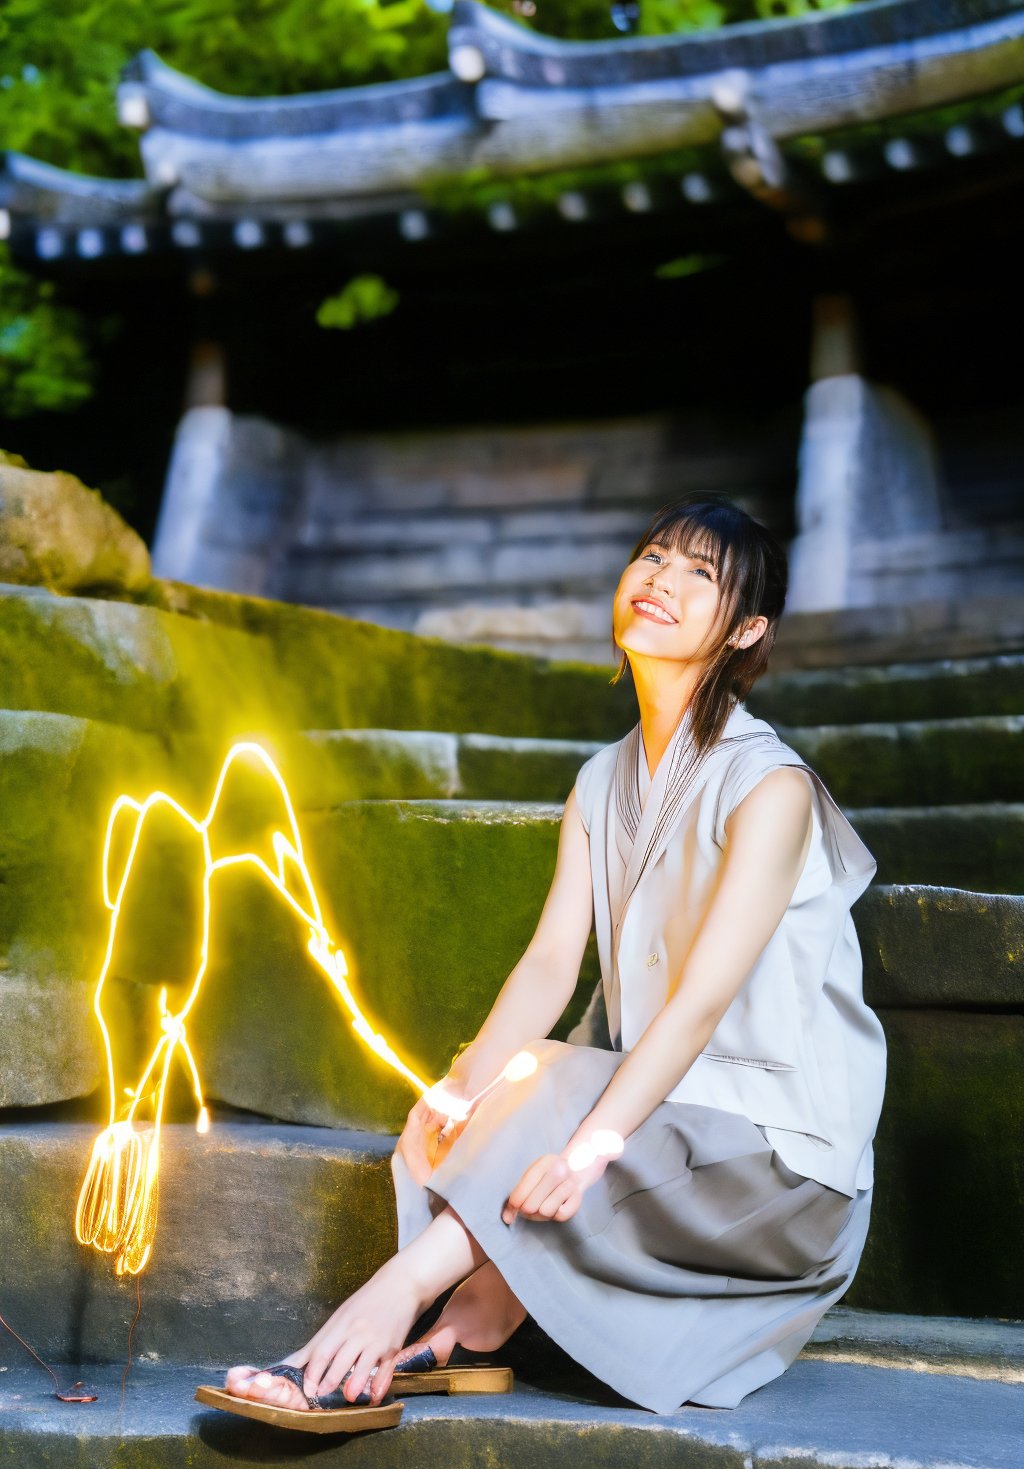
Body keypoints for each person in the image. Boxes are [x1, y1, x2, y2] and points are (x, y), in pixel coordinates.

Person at [222, 491, 886, 1419]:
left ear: (744, 631)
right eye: (654, 557)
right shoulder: (600, 780)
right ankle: (457, 1334)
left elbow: (699, 1004)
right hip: (668, 1130)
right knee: (459, 1107)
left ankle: (380, 1310)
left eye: (701, 574)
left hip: (773, 1159)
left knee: (555, 1091)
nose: (661, 580)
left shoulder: (770, 788)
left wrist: (589, 1145)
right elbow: (548, 966)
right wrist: (458, 1091)